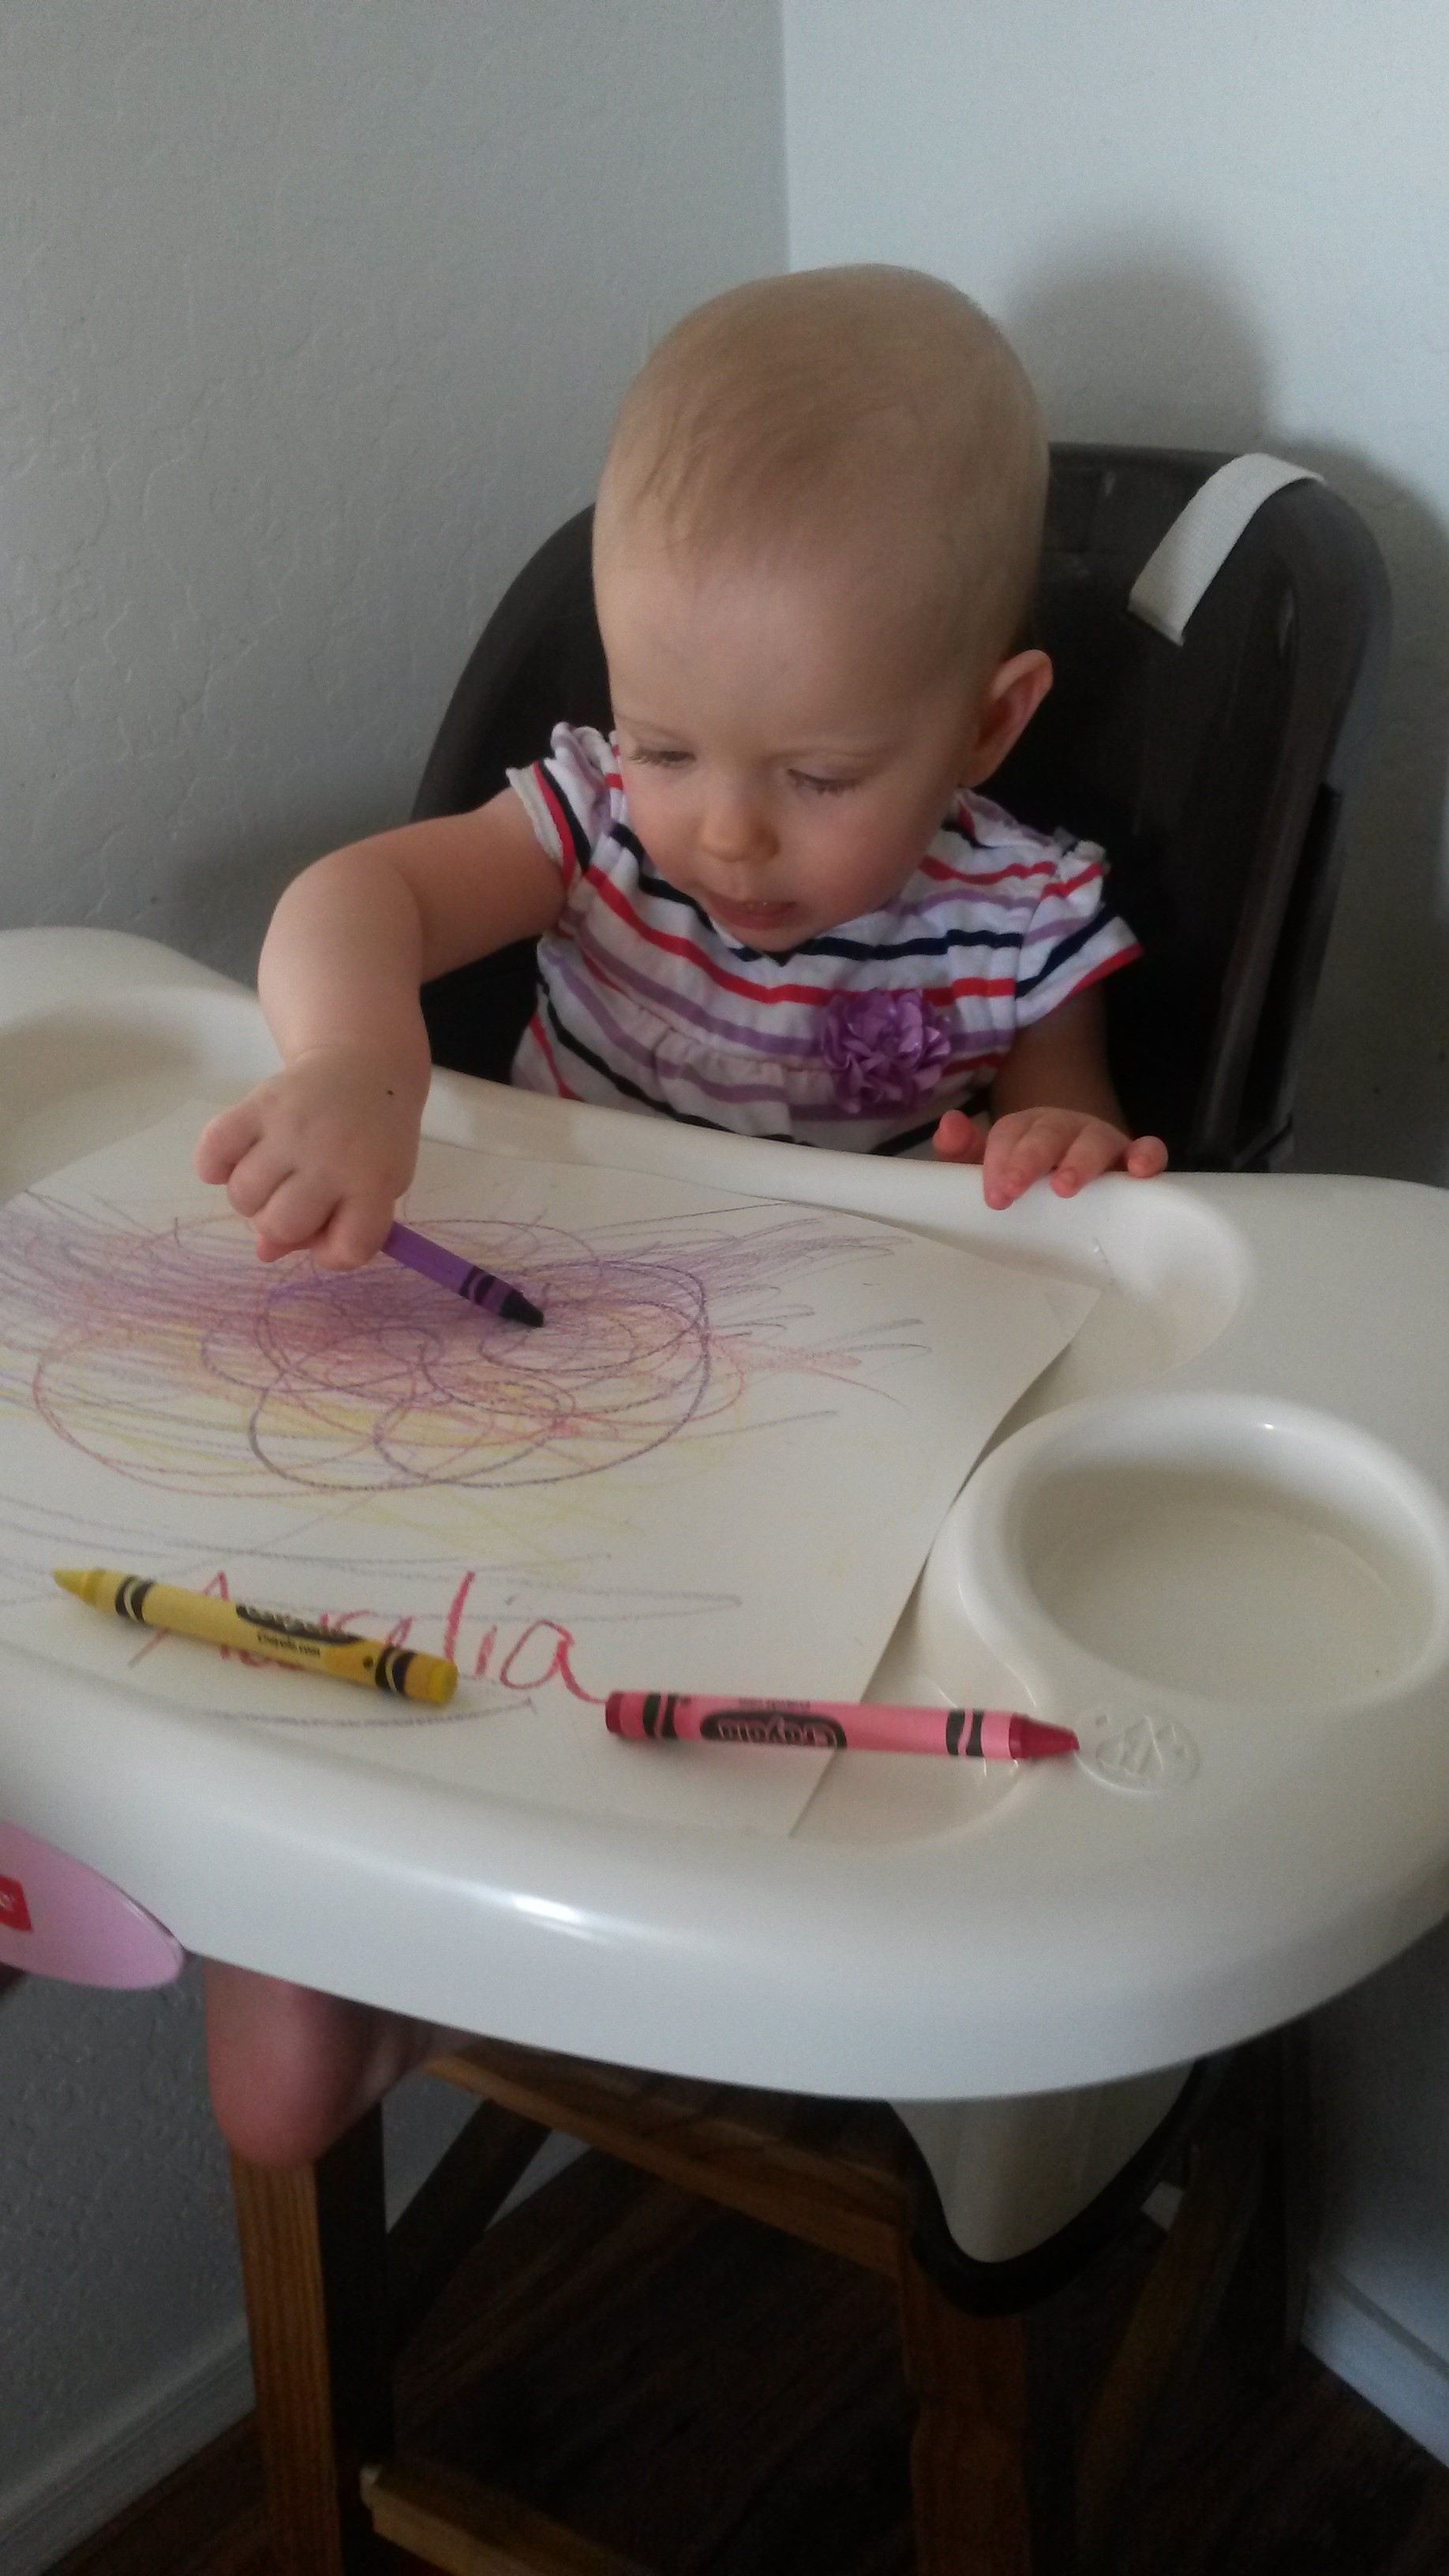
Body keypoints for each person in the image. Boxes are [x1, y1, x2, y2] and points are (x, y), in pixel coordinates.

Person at [195, 267, 1166, 2164]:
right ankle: (332, 1917)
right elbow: (354, 901)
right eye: (667, 743)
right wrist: (361, 1063)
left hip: (811, 1419)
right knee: (357, 1574)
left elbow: (1082, 1146)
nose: (723, 830)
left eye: (818, 775)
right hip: (526, 1350)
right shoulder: (593, 833)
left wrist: (1042, 1162)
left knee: (753, 1698)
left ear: (988, 722)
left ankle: (503, 1953)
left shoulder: (1025, 917)